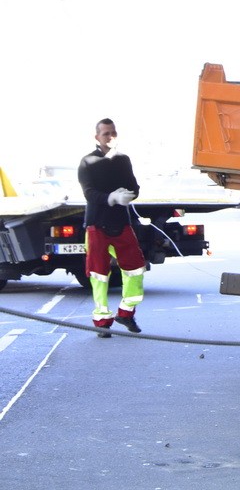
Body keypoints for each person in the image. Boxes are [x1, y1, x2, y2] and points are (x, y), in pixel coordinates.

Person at [78, 118, 146, 338]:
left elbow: (134, 186)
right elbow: (89, 194)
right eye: (106, 133)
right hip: (97, 223)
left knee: (136, 268)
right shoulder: (87, 162)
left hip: (121, 222)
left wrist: (130, 196)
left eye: (113, 133)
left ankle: (126, 313)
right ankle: (102, 322)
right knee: (99, 274)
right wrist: (111, 198)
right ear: (97, 137)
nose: (110, 137)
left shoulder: (123, 160)